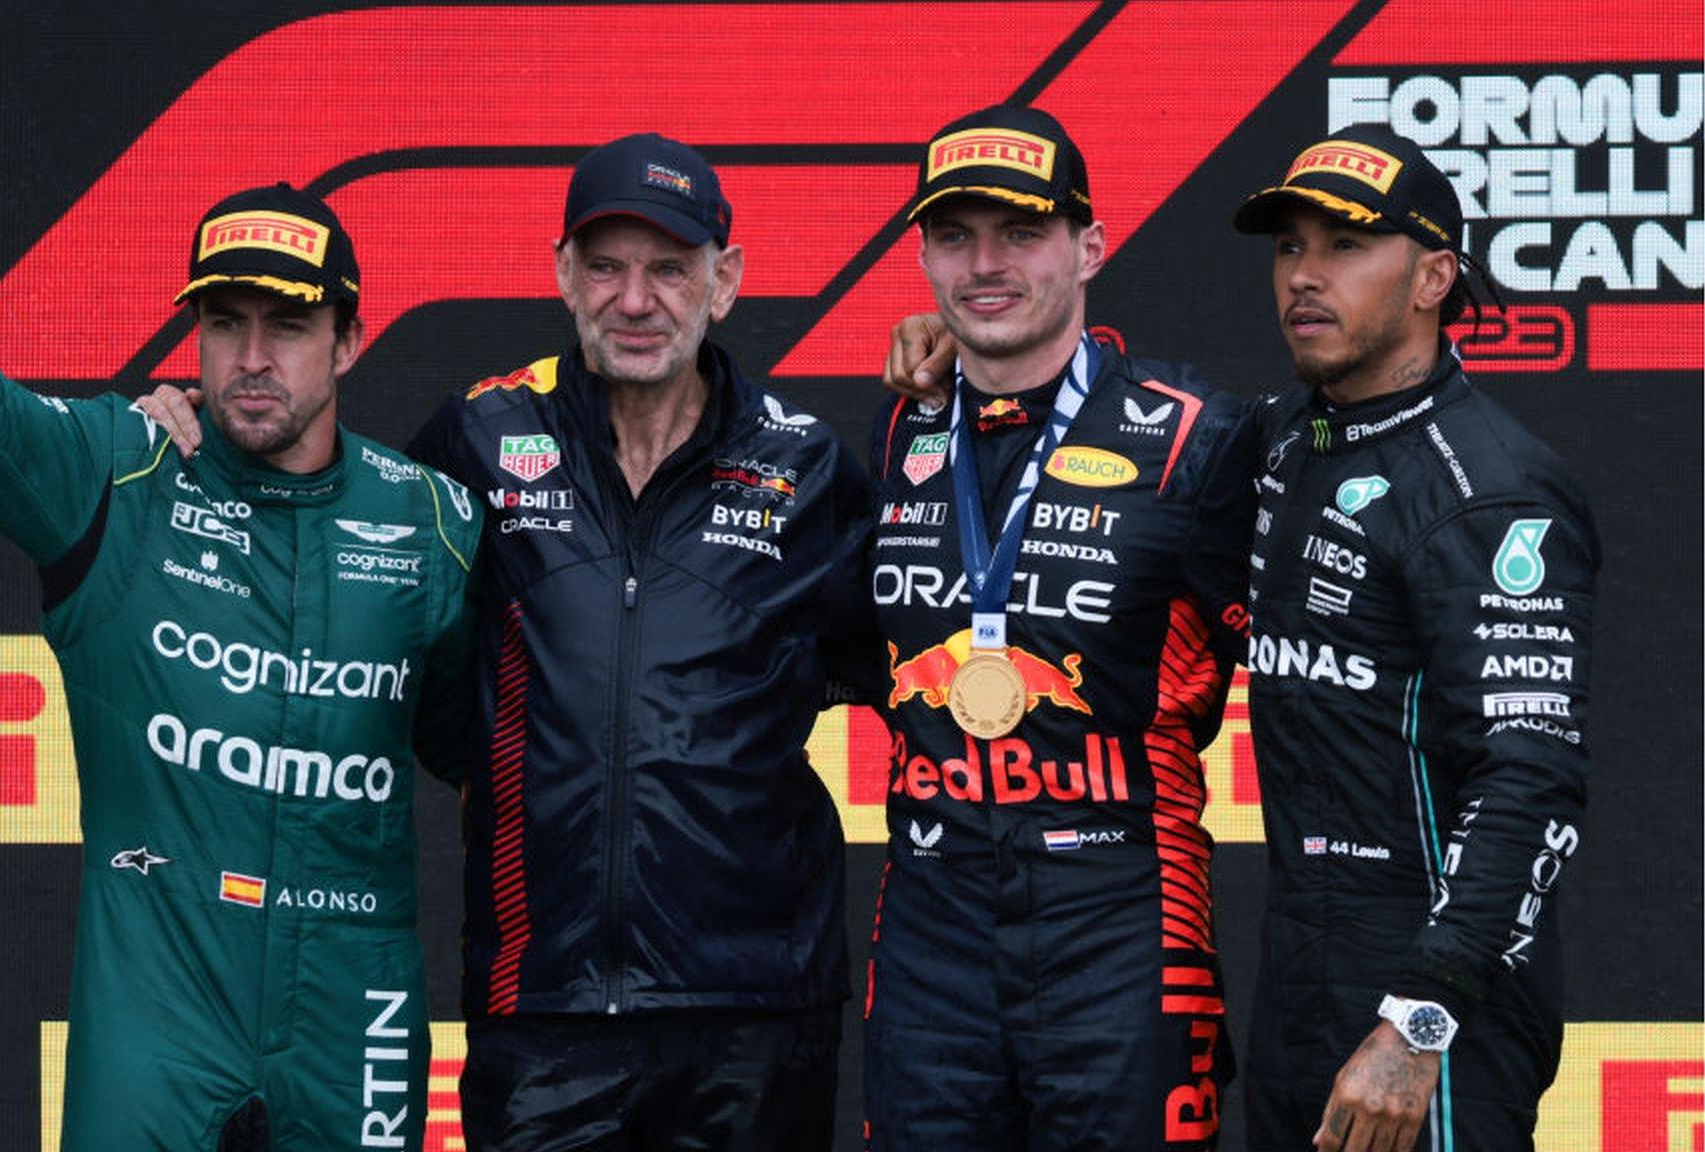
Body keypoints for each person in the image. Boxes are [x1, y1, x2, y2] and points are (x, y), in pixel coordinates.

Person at [0, 15, 481, 1151]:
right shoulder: (117, 469)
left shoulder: (435, 522)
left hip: (355, 1003)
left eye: (289, 324)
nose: (253, 356)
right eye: (224, 323)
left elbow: (491, 746)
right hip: (159, 1006)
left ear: (353, 340)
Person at [139, 133, 879, 1151]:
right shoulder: (478, 438)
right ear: (561, 274)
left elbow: (907, 668)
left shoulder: (808, 470)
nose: (635, 299)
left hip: (755, 1009)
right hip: (542, 1004)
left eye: (668, 267)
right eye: (607, 266)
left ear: (725, 281)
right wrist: (194, 443)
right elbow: (324, 525)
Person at [861, 103, 1257, 1150]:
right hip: (930, 932)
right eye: (953, 236)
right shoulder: (902, 422)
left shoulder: (1195, 435)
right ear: (921, 256)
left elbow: (1308, 675)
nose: (983, 264)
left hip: (1120, 924)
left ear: (1088, 245)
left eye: (1020, 233)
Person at [1231, 126, 1597, 1152]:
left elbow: (1528, 782)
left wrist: (1415, 1020)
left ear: (1434, 274)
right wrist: (960, 352)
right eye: (1287, 246)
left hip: (1430, 1008)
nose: (1303, 276)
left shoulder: (1489, 488)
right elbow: (1119, 424)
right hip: (1300, 972)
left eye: (1344, 247)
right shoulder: (1280, 438)